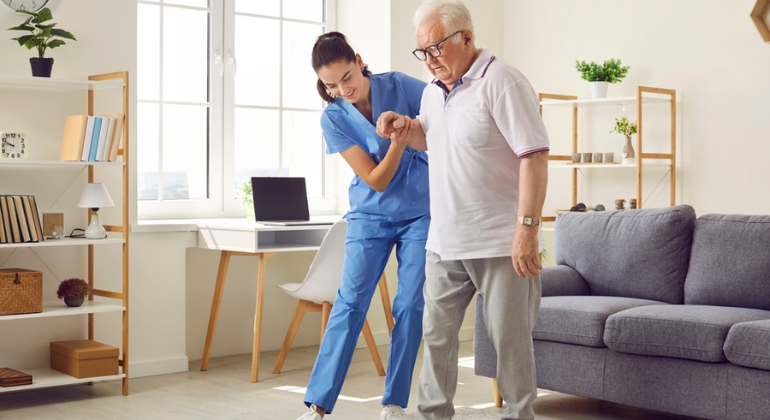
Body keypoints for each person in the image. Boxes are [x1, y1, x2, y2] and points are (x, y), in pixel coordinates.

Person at [376, 1, 550, 419]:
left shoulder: (503, 82)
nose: (430, 60)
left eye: (436, 48)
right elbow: (432, 138)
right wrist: (406, 128)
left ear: (466, 38)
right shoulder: (434, 92)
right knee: (435, 338)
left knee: (509, 343)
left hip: (500, 243)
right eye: (423, 52)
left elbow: (535, 156)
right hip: (445, 241)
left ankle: (519, 415)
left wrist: (526, 229)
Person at [296, 32, 430, 420]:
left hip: (421, 211)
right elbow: (375, 179)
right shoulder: (334, 116)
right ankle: (318, 406)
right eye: (331, 85)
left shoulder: (401, 84)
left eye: (347, 77)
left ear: (358, 59)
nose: (343, 89)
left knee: (409, 304)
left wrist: (411, 128)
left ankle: (393, 403)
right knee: (350, 303)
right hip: (370, 215)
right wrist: (401, 144)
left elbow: (445, 110)